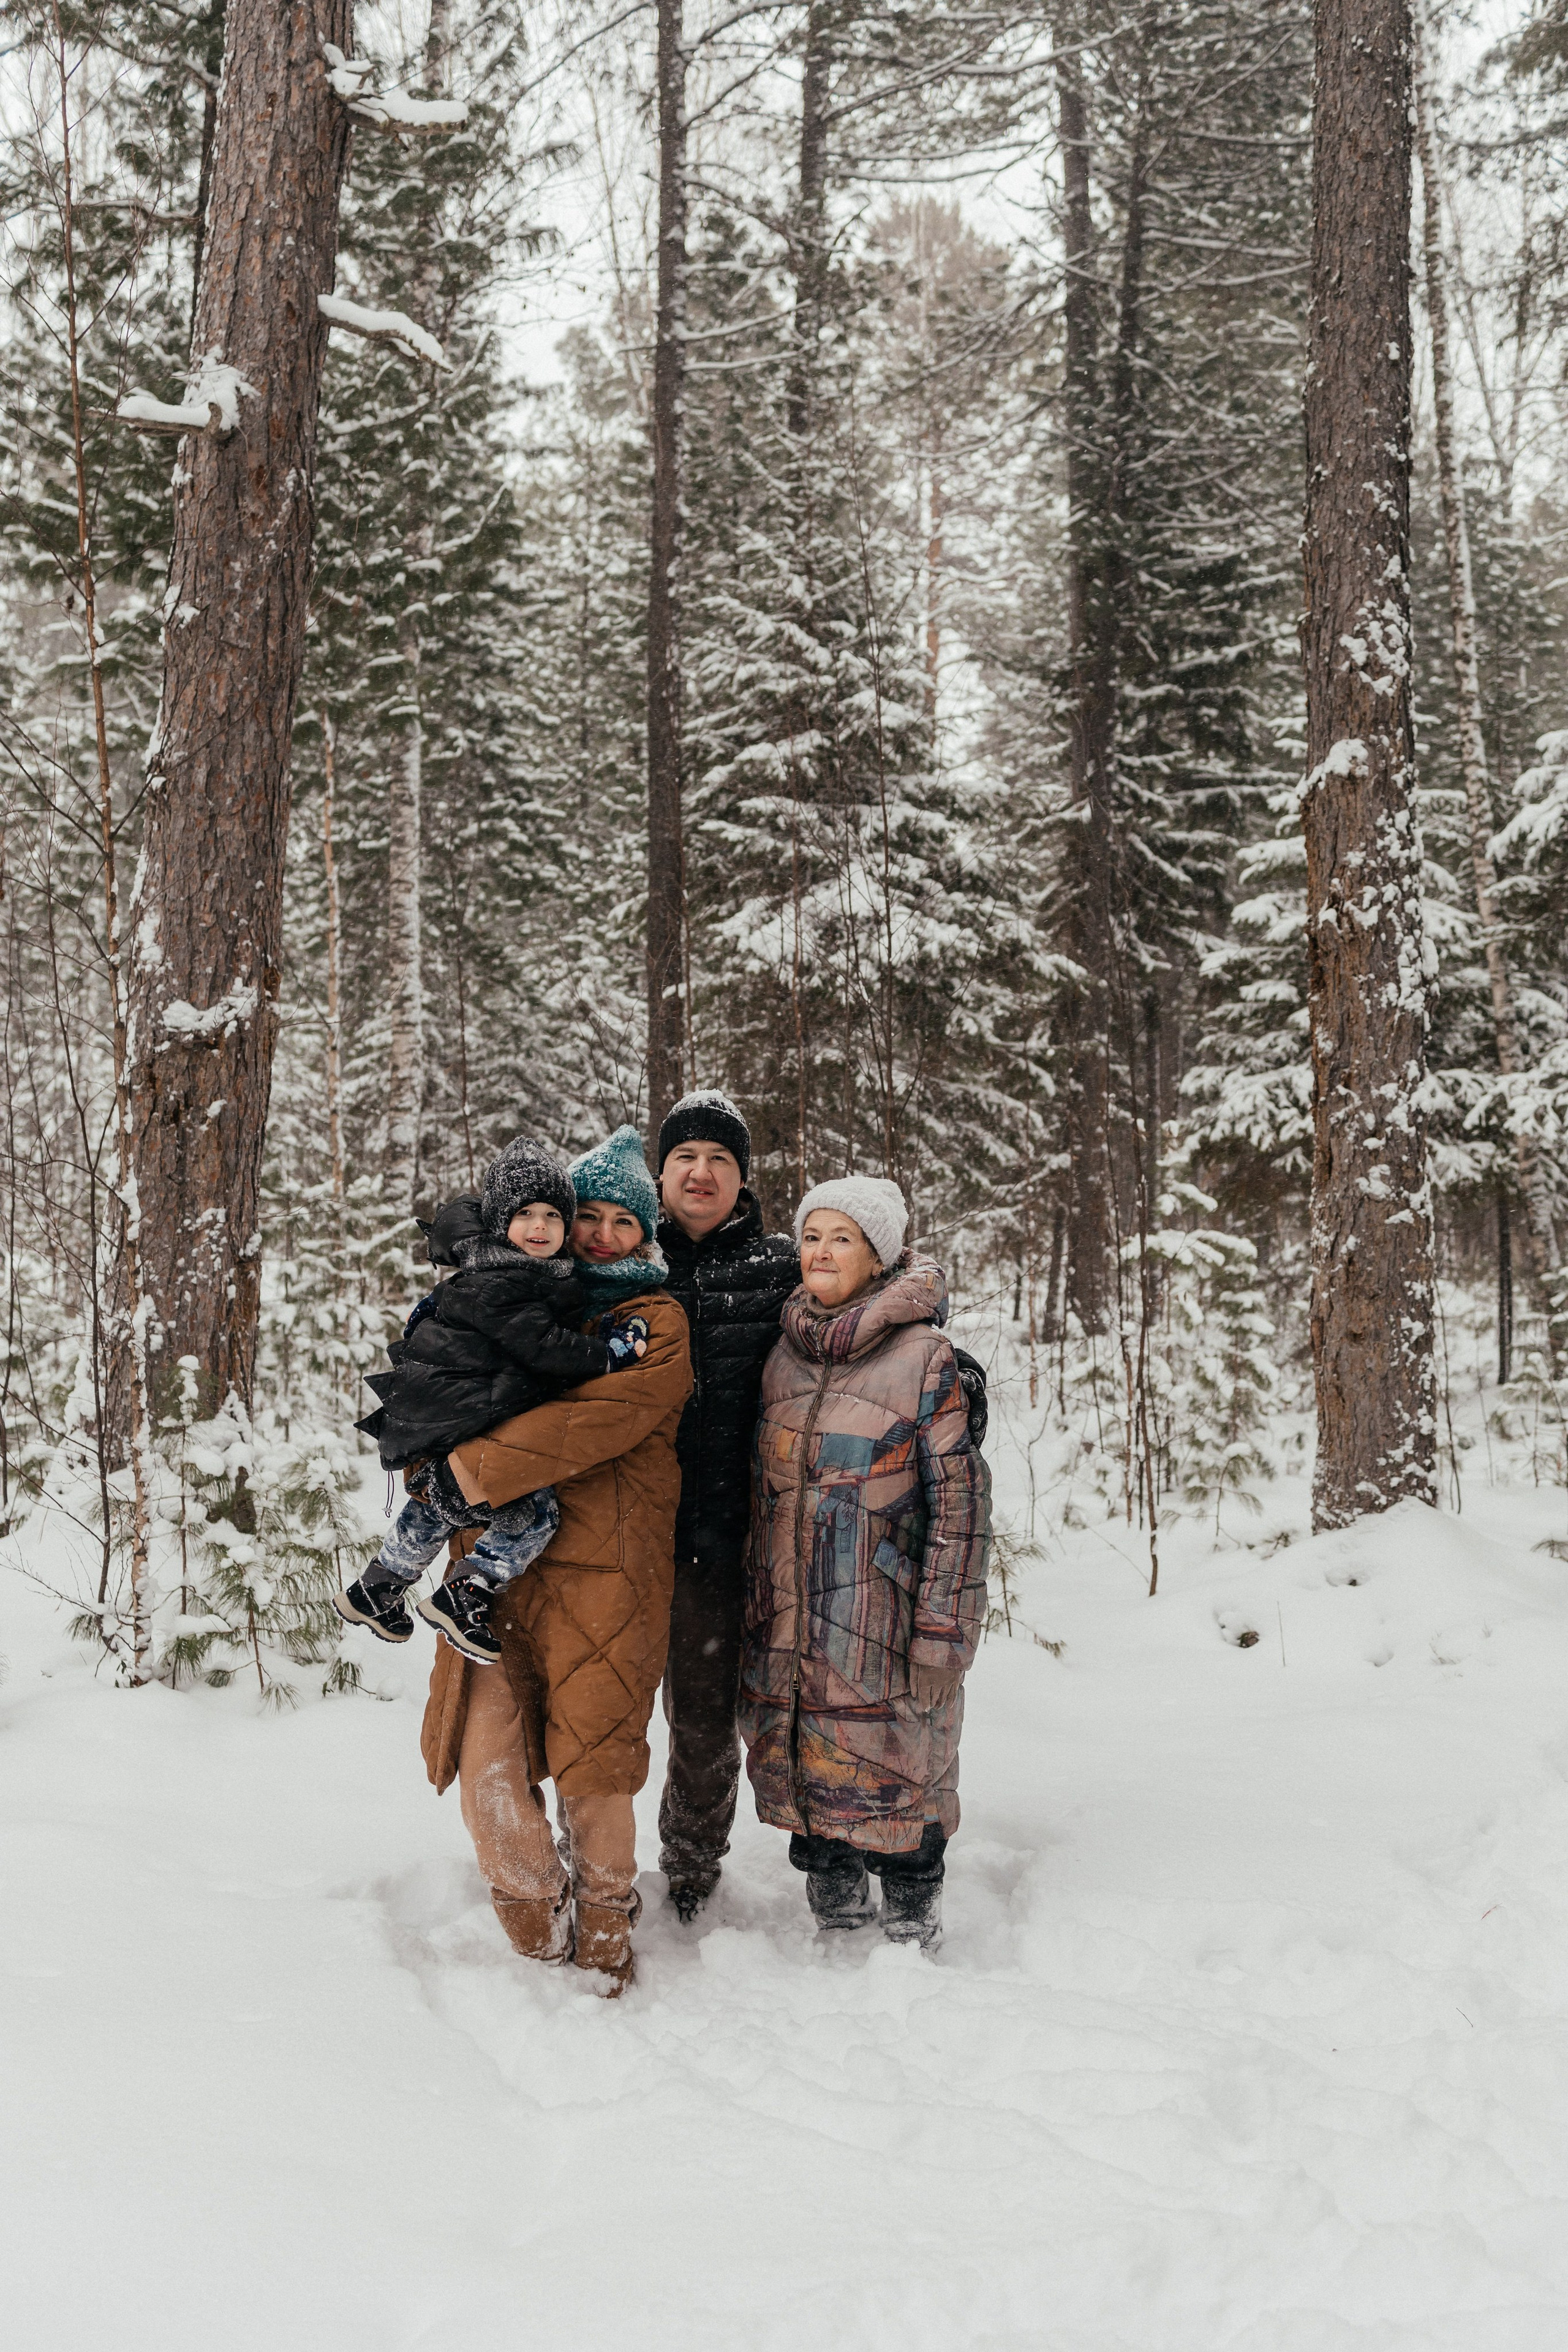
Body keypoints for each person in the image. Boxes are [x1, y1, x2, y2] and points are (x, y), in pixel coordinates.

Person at [420, 1125, 693, 1993]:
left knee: (596, 1765)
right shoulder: (517, 1301)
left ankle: (605, 1940)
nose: (603, 1235)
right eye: (590, 1217)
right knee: (487, 1765)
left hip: (610, 1579)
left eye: (625, 1221)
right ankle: (534, 1930)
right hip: (502, 1573)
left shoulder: (657, 1321)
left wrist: (470, 1465)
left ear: (647, 1235)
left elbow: (598, 1421)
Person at [739, 1175, 990, 1951]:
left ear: (877, 1258)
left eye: (841, 1238)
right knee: (808, 1767)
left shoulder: (925, 1357)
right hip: (787, 1612)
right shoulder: (780, 1352)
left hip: (882, 1617)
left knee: (902, 1776)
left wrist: (944, 1634)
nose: (819, 1252)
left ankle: (913, 1923)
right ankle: (835, 1915)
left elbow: (960, 1509)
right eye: (811, 1236)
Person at [335, 1137, 647, 1664]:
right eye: (525, 1213)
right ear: (501, 1220)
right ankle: (470, 1588)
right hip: (463, 1405)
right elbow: (544, 1348)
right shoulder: (505, 1279)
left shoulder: (500, 1271)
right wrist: (608, 1352)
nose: (541, 1226)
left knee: (444, 1496)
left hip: (452, 1405)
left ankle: (380, 1584)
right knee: (533, 1513)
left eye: (554, 1214)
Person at [654, 1091, 798, 1920]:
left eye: (720, 1159)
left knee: (704, 1722)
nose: (701, 1173)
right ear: (662, 1173)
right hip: (621, 1533)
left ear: (741, 1178)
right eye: (685, 1158)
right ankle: (585, 1858)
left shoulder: (780, 1268)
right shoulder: (625, 1260)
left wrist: (951, 1372)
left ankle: (691, 1871)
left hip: (722, 1537)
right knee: (593, 1714)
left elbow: (865, 1321)